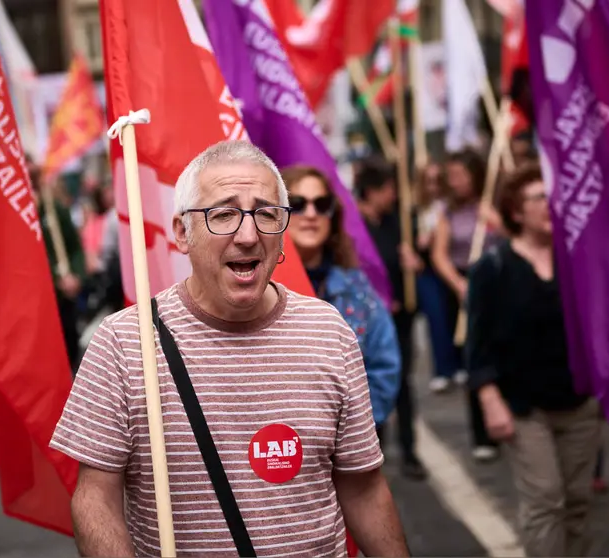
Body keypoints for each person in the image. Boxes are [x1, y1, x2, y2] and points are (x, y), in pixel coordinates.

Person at [51, 141, 409, 557]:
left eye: (266, 214)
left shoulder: (329, 331)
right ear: (182, 233)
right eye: (223, 214)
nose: (247, 235)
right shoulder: (125, 344)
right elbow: (96, 497)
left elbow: (364, 487)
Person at [466, 164, 601, 556]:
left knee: (578, 502)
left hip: (579, 403)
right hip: (524, 408)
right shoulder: (493, 268)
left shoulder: (577, 260)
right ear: (516, 210)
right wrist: (491, 401)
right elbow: (478, 343)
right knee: (545, 501)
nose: (549, 205)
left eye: (552, 196)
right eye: (538, 197)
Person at [283, 164, 401, 435]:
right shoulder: (252, 290)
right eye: (297, 204)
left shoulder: (356, 289)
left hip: (348, 451)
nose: (311, 214)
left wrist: (349, 435)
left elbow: (383, 367)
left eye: (321, 204)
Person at [355, 157, 427, 480]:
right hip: (369, 324)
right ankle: (373, 451)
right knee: (370, 385)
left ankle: (410, 452)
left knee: (403, 385)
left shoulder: (396, 222)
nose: (393, 196)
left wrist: (414, 260)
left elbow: (411, 261)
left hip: (400, 319)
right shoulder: (354, 227)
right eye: (387, 189)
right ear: (370, 192)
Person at [431, 150, 500, 462]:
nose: (455, 181)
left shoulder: (493, 204)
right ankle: (482, 433)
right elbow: (439, 253)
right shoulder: (448, 211)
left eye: (461, 174)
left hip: (497, 282)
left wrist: (497, 222)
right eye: (452, 175)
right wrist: (458, 284)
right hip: (462, 285)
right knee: (475, 354)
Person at [29, 164, 85, 372]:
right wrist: (54, 279)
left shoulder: (55, 210)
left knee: (71, 343)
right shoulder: (22, 216)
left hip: (64, 298)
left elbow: (75, 247)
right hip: (40, 299)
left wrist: (76, 276)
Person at [414, 162, 456, 394]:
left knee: (452, 316)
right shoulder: (416, 210)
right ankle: (442, 369)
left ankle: (456, 364)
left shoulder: (447, 207)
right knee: (436, 318)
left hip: (449, 267)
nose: (433, 186)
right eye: (428, 181)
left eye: (437, 181)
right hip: (427, 272)